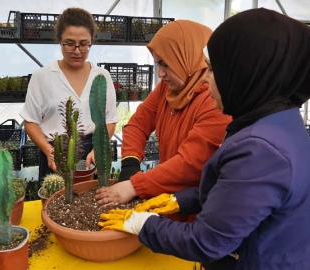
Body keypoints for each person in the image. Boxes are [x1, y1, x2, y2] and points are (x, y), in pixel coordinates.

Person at [98, 8, 310, 270]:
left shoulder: (260, 149)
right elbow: (234, 192)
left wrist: (138, 220)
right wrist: (179, 199)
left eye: (212, 69)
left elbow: (206, 240)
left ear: (242, 73)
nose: (206, 76)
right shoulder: (278, 119)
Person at [95, 19, 231, 223]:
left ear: (188, 58)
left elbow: (189, 165)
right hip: (166, 201)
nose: (160, 73)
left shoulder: (215, 101)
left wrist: (134, 186)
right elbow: (137, 125)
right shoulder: (167, 90)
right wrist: (130, 165)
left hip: (199, 214)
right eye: (158, 63)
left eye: (166, 64)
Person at [20, 7, 120, 183]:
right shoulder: (43, 76)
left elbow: (110, 120)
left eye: (83, 44)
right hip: (54, 151)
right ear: (59, 41)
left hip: (91, 151)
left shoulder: (101, 76)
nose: (77, 50)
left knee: (92, 205)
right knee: (56, 204)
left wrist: (98, 148)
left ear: (91, 42)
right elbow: (30, 122)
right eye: (69, 43)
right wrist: (51, 153)